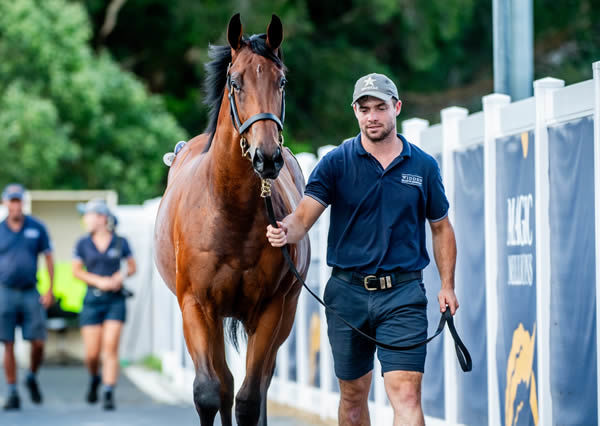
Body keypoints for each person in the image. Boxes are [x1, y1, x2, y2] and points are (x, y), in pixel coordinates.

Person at [266, 73, 459, 426]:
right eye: (364, 108)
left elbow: (441, 227)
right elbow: (303, 217)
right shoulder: (336, 163)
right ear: (355, 111)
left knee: (405, 393)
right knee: (353, 396)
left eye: (380, 107)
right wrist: (284, 231)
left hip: (403, 295)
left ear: (396, 108)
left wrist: (447, 285)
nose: (372, 116)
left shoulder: (423, 167)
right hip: (347, 295)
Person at [72, 199, 136, 410]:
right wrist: (99, 281)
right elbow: (77, 271)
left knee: (110, 348)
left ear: (101, 218)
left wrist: (121, 275)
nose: (85, 219)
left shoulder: (120, 242)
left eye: (88, 215)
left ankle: (108, 392)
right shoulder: (82, 243)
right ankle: (94, 378)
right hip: (92, 300)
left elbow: (132, 267)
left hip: (115, 301)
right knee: (92, 353)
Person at [0, 183, 54, 410]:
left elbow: (49, 257)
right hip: (6, 291)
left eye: (18, 201)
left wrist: (50, 289)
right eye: (11, 201)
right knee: (8, 344)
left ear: (23, 203)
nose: (15, 205)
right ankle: (12, 391)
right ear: (5, 203)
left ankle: (31, 375)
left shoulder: (36, 227)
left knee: (39, 342)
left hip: (31, 291)